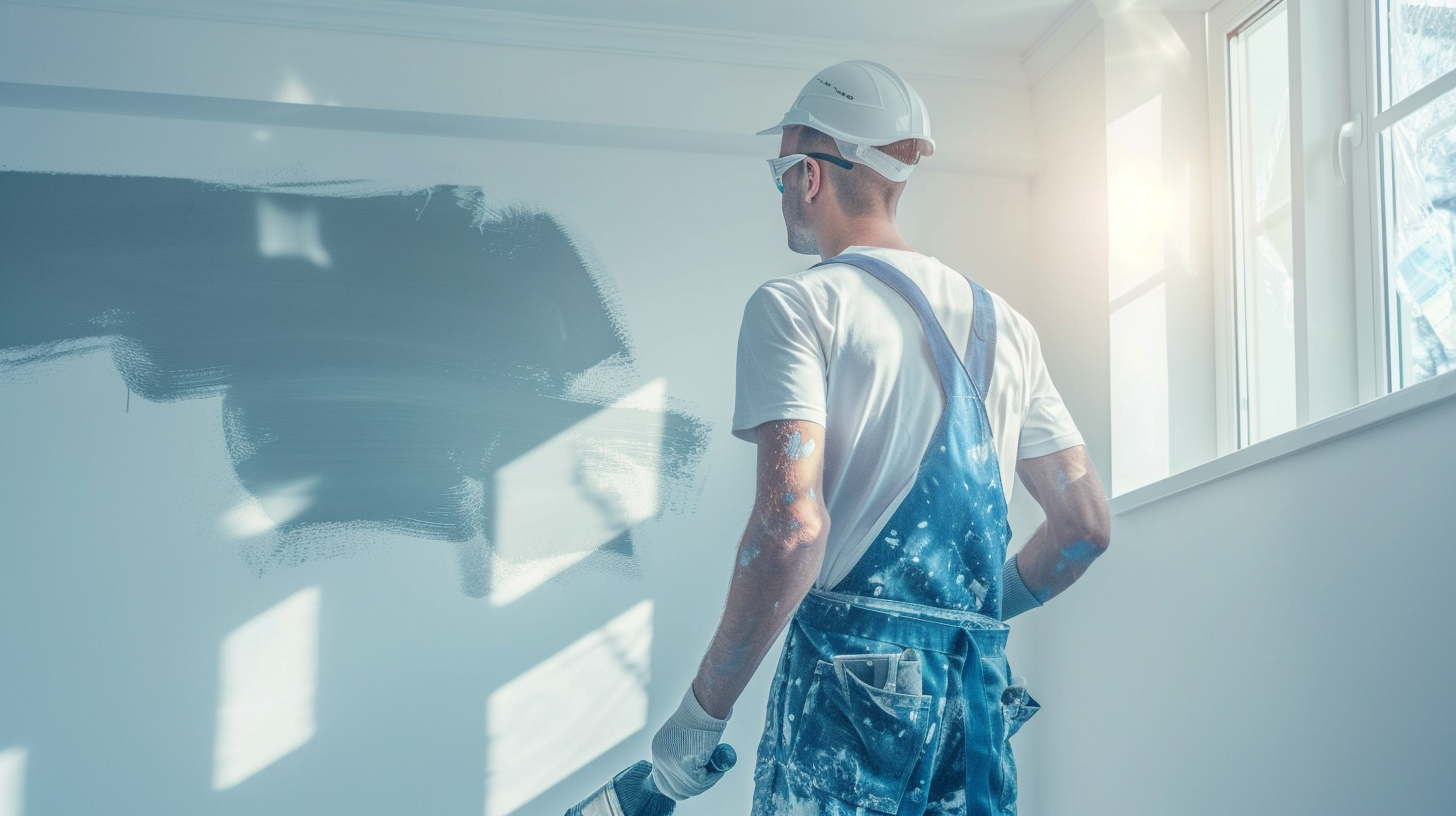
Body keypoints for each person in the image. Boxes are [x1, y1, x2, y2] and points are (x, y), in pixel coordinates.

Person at [648, 60, 1112, 815]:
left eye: (780, 172)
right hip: (975, 692)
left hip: (852, 693)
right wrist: (957, 618)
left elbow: (790, 529)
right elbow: (1084, 529)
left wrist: (700, 716)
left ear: (810, 174)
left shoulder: (799, 307)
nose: (782, 192)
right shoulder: (1009, 328)